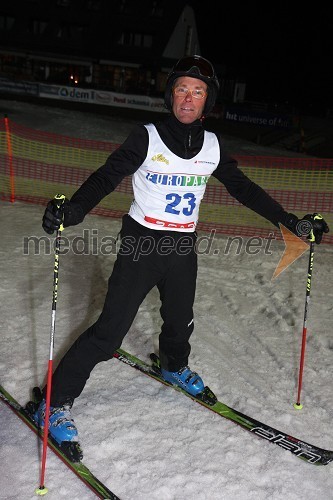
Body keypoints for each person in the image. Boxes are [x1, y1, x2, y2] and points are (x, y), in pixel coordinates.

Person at [35, 55, 329, 457]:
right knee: (108, 333)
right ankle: (53, 404)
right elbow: (107, 176)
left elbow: (243, 188)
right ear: (170, 95)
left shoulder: (212, 145)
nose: (188, 99)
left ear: (207, 101)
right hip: (142, 243)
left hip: (182, 246)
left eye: (198, 92)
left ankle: (174, 365)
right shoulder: (146, 137)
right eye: (181, 90)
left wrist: (289, 221)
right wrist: (72, 211)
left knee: (180, 321)